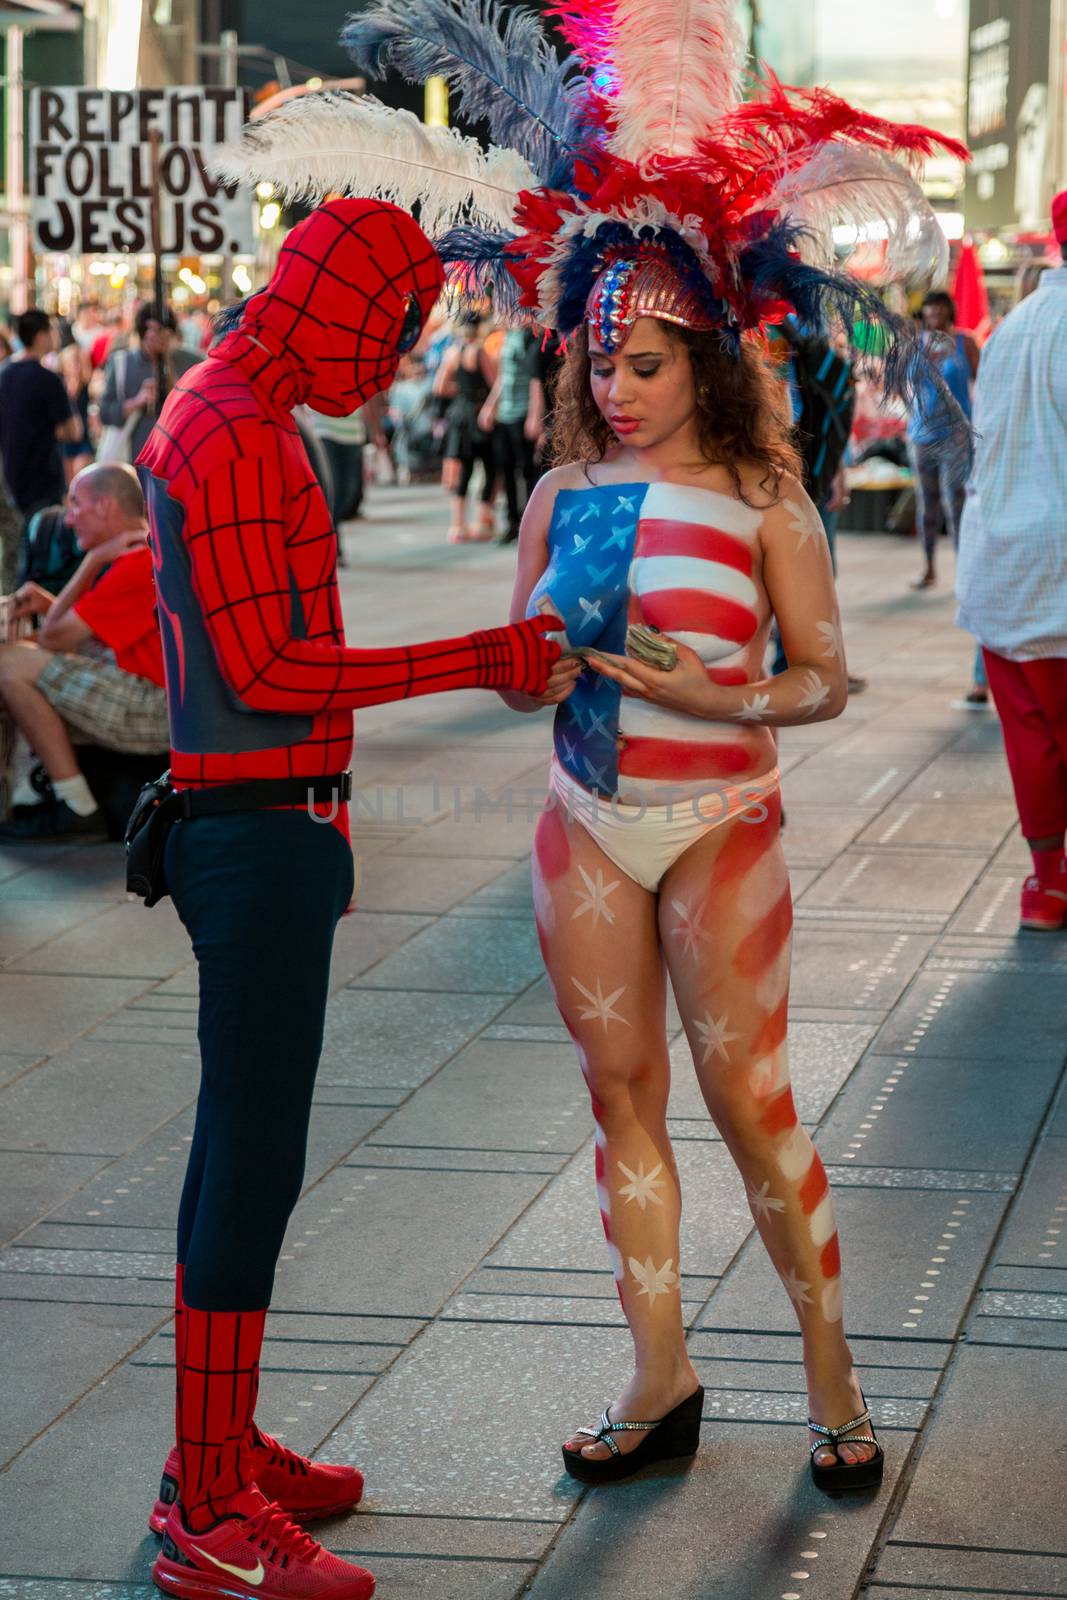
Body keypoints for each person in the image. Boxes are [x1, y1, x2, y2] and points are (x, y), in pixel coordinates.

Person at [231, 0, 967, 1508]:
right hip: (582, 822)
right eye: (601, 358)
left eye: (646, 357)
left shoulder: (771, 503)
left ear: (705, 355)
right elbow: (518, 680)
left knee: (748, 1097)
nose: (620, 382)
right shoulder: (555, 494)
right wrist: (537, 669)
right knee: (618, 1100)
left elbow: (825, 684)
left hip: (718, 829)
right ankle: (657, 1378)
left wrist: (719, 695)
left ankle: (833, 1385)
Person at [135, 198, 558, 1600]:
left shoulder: (234, 410)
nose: (389, 364)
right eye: (385, 332)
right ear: (324, 299)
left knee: (247, 1148)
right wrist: (480, 654)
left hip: (266, 828)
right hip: (252, 833)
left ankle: (216, 1445)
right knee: (247, 1154)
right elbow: (269, 674)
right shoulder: (237, 428)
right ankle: (206, 1502)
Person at [956, 189, 1067, 933]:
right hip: (1058, 566)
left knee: (1030, 739)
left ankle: (1048, 887)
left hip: (1001, 567)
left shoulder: (1012, 327)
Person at [0, 462, 167, 843]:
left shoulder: (131, 563)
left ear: (105, 506)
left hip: (154, 710)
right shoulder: (147, 552)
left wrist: (92, 562)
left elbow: (54, 639)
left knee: (9, 663)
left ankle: (77, 808)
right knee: (21, 660)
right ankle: (67, 794)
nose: (69, 519)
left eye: (75, 505)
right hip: (162, 702)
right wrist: (51, 605)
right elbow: (87, 631)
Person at [907, 291, 979, 590]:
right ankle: (929, 568)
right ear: (923, 312)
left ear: (949, 311)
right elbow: (903, 383)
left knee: (956, 503)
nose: (934, 313)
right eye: (929, 308)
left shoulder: (965, 342)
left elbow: (983, 378)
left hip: (956, 436)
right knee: (927, 505)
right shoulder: (916, 345)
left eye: (940, 308)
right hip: (922, 434)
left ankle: (965, 572)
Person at [0, 310, 83, 516]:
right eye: (52, 330)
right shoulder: (48, 379)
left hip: (11, 476)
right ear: (40, 336)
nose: (56, 335)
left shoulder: (4, 373)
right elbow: (73, 431)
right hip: (44, 479)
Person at [98, 303, 202, 464]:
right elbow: (105, 412)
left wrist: (166, 357)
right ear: (142, 333)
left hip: (177, 456)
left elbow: (190, 408)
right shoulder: (122, 362)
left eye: (164, 333)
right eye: (154, 332)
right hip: (133, 458)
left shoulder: (188, 361)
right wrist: (136, 402)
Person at [434, 312, 497, 542]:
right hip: (477, 415)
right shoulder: (479, 352)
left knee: (464, 469)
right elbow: (494, 382)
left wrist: (458, 391)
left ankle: (457, 526)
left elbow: (439, 387)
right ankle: (482, 523)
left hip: (458, 416)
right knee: (488, 467)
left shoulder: (452, 353)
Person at [479, 324, 537, 543]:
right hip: (505, 413)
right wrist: (490, 406)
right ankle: (512, 522)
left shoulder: (527, 336)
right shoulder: (508, 337)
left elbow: (534, 379)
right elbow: (503, 377)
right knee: (507, 469)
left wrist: (534, 414)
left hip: (522, 413)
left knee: (527, 470)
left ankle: (529, 524)